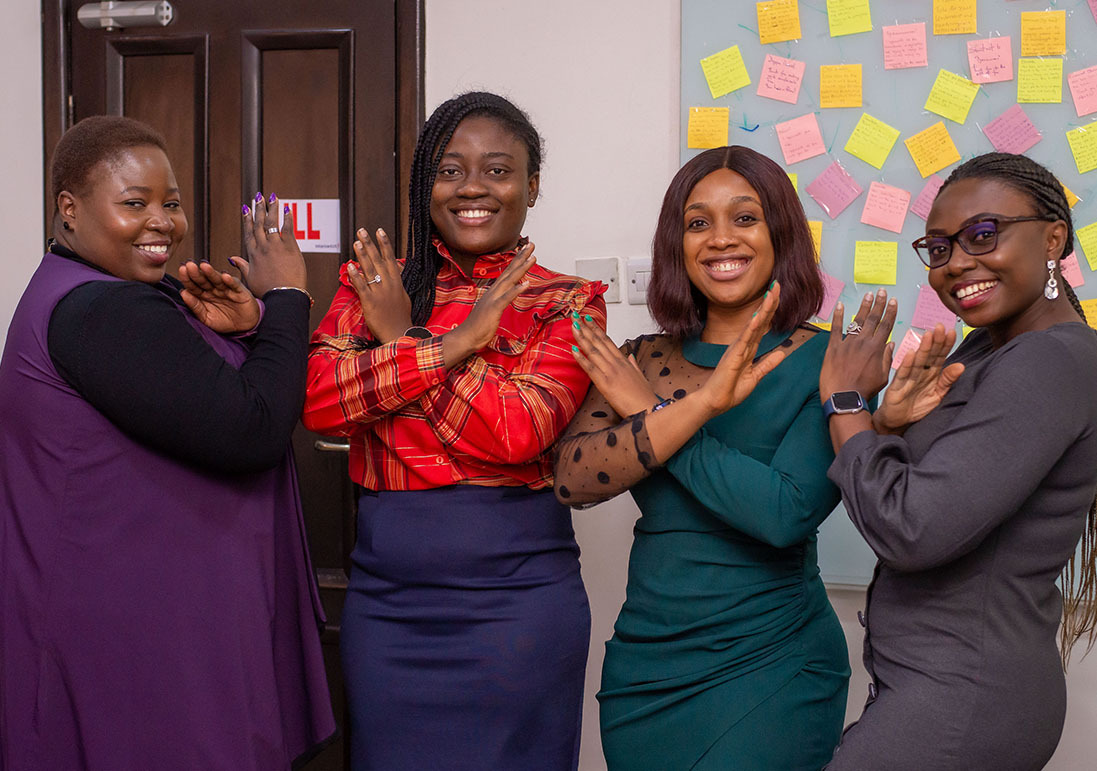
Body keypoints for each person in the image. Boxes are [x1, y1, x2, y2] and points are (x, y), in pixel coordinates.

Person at [0, 116, 334, 769]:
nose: (162, 222)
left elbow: (203, 395)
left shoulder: (109, 293)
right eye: (134, 203)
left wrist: (249, 325)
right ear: (69, 208)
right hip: (136, 642)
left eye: (171, 203)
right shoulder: (103, 310)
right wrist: (288, 296)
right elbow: (251, 429)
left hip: (144, 622)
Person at [303, 92, 606, 770]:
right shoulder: (373, 283)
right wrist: (452, 346)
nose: (472, 187)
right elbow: (321, 403)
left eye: (497, 170)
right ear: (424, 184)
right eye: (449, 170)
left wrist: (396, 345)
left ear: (532, 186)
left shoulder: (566, 301)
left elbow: (518, 431)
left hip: (518, 611)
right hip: (388, 606)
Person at [555, 145, 850, 770]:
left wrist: (657, 413)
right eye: (698, 222)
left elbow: (783, 514)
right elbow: (572, 480)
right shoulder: (641, 358)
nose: (720, 239)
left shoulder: (829, 361)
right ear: (677, 244)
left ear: (781, 233)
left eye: (745, 217)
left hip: (772, 661)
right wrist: (691, 407)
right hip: (646, 668)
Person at [819, 152, 1097, 770]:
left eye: (983, 234)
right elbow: (920, 492)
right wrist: (888, 424)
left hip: (961, 699)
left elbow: (911, 529)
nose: (957, 263)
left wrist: (846, 402)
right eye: (940, 248)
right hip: (943, 689)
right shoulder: (985, 350)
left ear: (1054, 239)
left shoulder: (1047, 360)